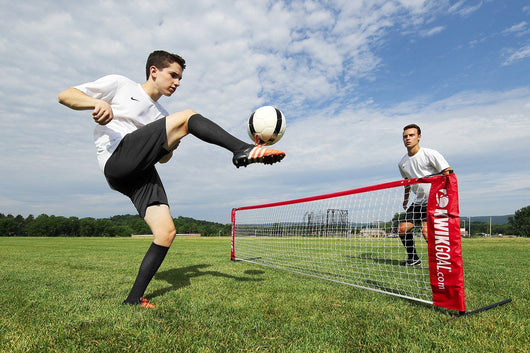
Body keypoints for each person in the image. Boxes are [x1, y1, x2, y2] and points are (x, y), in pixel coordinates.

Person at [58, 50, 285, 308]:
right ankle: (242, 149)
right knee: (187, 116)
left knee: (166, 232)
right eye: (173, 75)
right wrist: (97, 103)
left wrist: (170, 146)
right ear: (154, 71)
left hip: (138, 172)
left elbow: (163, 159)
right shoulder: (121, 85)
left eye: (179, 78)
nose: (176, 82)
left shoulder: (161, 113)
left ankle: (133, 299)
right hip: (117, 158)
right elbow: (65, 96)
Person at [397, 124, 451, 266]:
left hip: (434, 198)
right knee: (402, 229)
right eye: (405, 136)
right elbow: (407, 182)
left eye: (411, 135)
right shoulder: (402, 163)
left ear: (419, 137)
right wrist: (405, 200)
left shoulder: (430, 154)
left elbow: (448, 172)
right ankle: (413, 259)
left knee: (427, 232)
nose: (408, 138)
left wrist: (446, 196)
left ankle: (443, 263)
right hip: (418, 201)